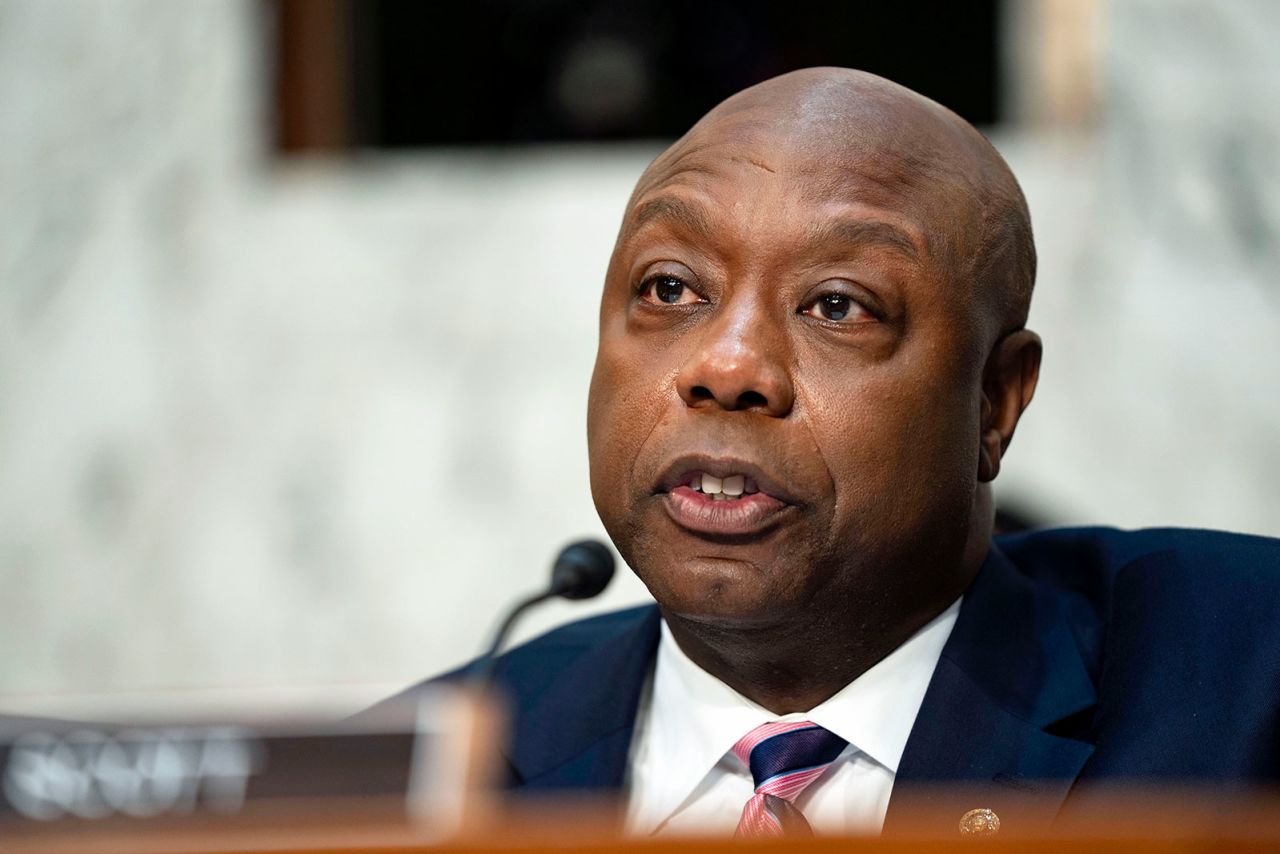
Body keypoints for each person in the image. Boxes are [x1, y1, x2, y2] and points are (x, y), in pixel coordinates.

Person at [376, 68, 1280, 837]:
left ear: (996, 404)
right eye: (670, 287)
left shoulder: (1241, 685)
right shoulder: (412, 778)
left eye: (837, 305)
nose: (726, 368)